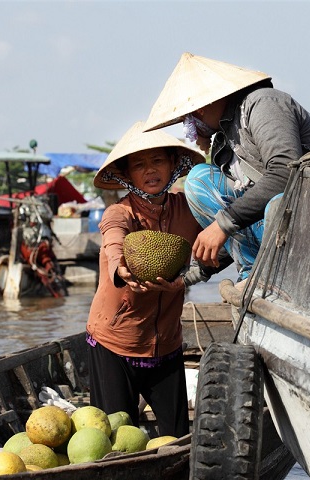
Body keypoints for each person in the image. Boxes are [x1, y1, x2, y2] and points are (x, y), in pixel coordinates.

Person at [144, 53, 310, 286]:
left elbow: (285, 172)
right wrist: (191, 276)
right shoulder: (226, 140)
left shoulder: (262, 103)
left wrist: (221, 225)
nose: (190, 128)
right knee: (201, 180)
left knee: (214, 186)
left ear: (199, 109)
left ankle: (266, 275)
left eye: (187, 118)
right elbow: (236, 227)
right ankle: (254, 274)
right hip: (278, 214)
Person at [86, 121, 205, 437]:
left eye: (158, 161)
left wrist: (188, 278)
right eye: (140, 164)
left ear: (172, 165)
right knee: (113, 439)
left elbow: (216, 248)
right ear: (126, 175)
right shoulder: (119, 214)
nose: (150, 170)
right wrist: (122, 271)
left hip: (166, 342)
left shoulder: (188, 209)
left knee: (177, 438)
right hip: (115, 342)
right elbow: (114, 244)